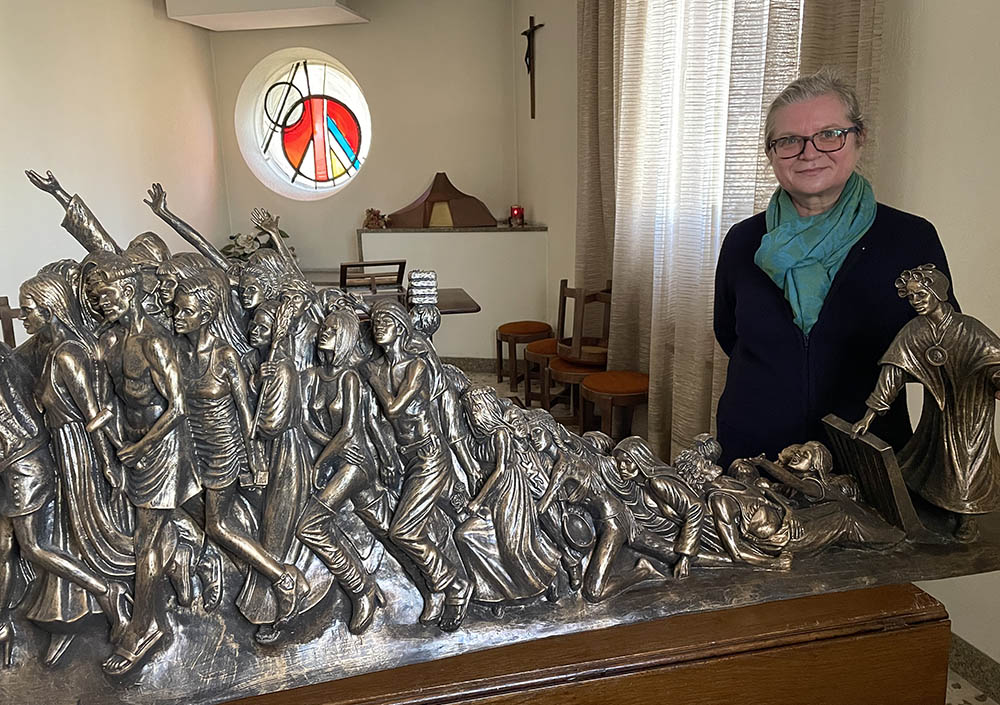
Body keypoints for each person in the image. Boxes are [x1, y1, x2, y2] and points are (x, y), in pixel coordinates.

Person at [713, 68, 957, 467]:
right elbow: (729, 333)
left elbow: (943, 344)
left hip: (866, 458)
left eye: (830, 134)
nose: (809, 153)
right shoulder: (743, 241)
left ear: (859, 139)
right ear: (771, 153)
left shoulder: (911, 238)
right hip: (752, 456)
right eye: (789, 140)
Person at [852, 264, 1000, 542]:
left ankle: (965, 516)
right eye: (910, 297)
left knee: (966, 460)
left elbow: (994, 360)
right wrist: (869, 416)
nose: (916, 301)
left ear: (938, 292)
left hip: (972, 407)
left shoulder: (969, 328)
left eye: (921, 294)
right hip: (939, 410)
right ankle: (931, 503)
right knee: (932, 456)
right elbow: (893, 372)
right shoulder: (915, 330)